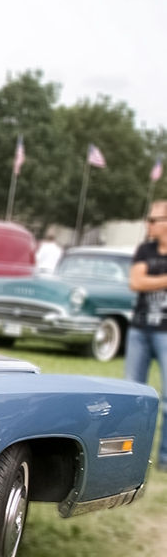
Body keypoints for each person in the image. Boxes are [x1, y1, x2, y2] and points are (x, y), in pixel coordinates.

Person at [126, 200, 167, 470]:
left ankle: (164, 458)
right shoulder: (145, 249)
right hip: (140, 330)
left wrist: (154, 278)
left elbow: (144, 279)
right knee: (133, 395)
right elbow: (136, 282)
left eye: (153, 220)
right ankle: (131, 456)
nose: (148, 224)